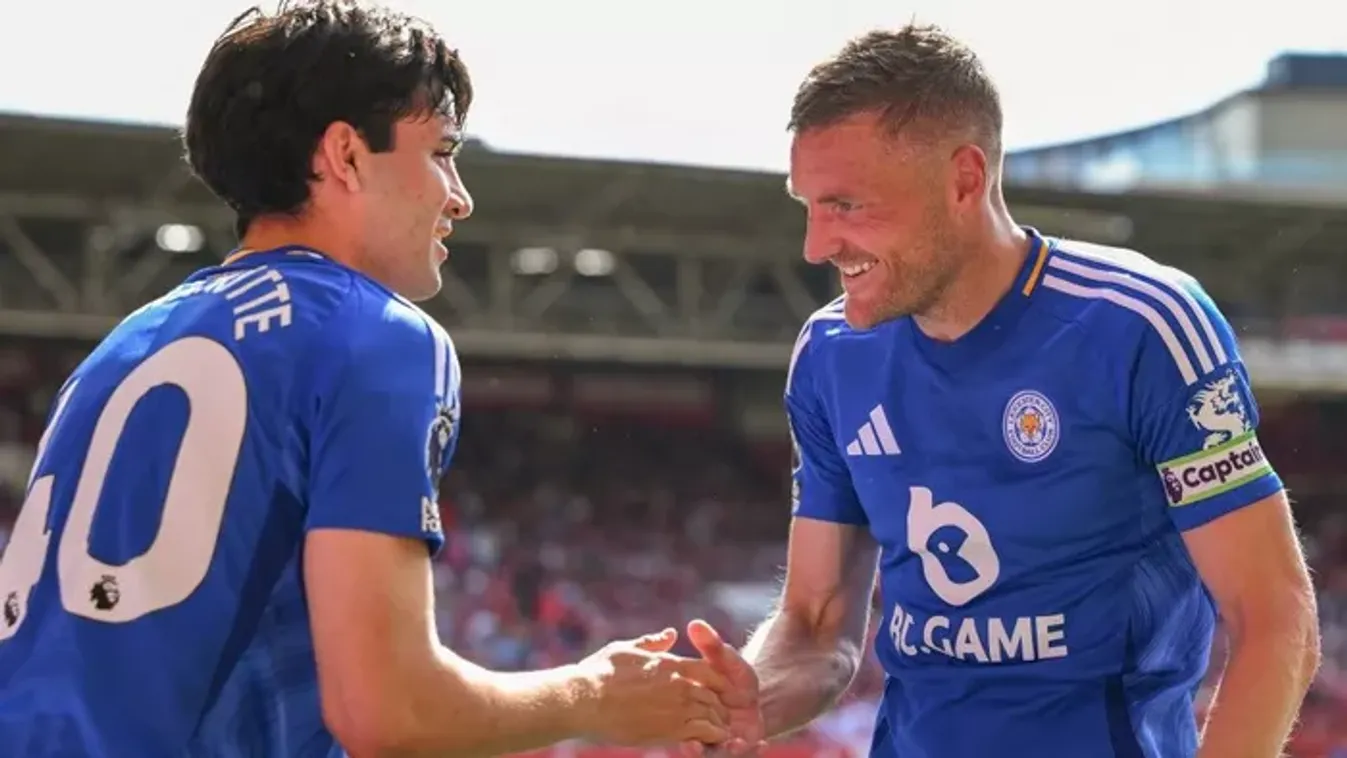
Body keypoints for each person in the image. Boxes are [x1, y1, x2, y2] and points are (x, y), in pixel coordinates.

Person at [0, 2, 735, 756]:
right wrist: (595, 694)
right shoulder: (373, 332)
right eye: (442, 152)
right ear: (346, 155)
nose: (459, 195)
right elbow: (388, 710)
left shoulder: (120, 348)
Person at [684, 23, 1321, 758]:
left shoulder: (1140, 326)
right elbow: (816, 627)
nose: (816, 245)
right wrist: (753, 696)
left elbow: (1276, 619)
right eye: (810, 206)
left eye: (848, 206)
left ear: (963, 178)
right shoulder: (831, 354)